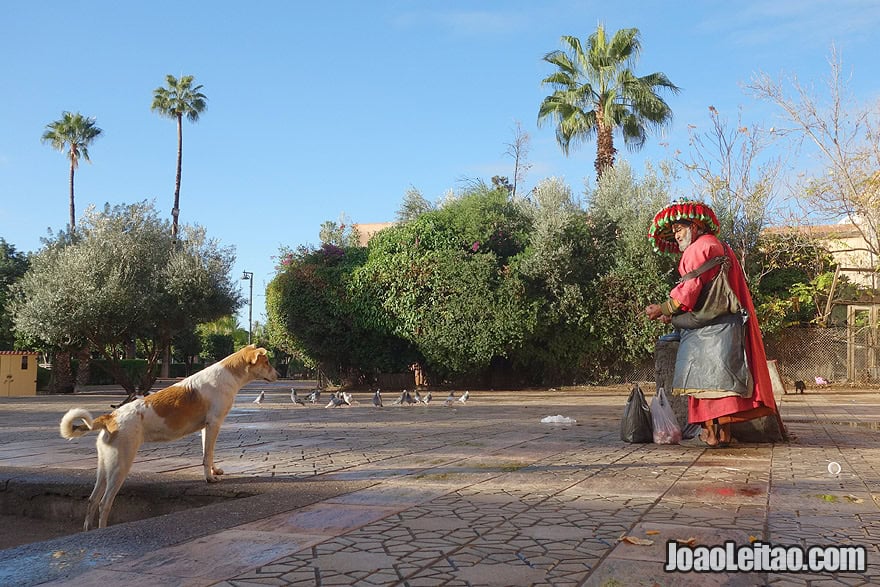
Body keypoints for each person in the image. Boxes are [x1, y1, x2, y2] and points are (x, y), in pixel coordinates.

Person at [644, 199, 780, 447]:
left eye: (680, 229)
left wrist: (662, 309)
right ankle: (724, 433)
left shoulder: (698, 249)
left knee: (705, 384)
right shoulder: (722, 247)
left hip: (706, 332)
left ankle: (711, 435)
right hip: (729, 327)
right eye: (673, 231)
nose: (676, 236)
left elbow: (689, 291)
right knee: (725, 384)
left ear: (695, 226)